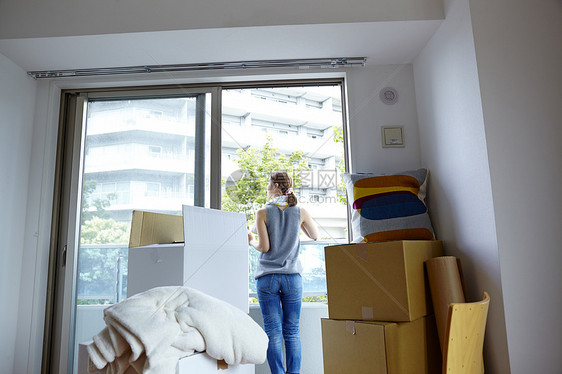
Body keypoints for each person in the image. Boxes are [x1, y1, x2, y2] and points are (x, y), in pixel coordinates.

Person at [248, 171, 318, 374]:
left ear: (277, 187)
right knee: (292, 332)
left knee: (273, 332)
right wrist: (299, 224)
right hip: (292, 278)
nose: (267, 188)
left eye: (269, 184)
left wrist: (250, 240)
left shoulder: (263, 212)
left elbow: (264, 247)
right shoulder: (300, 211)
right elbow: (315, 236)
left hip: (267, 279)